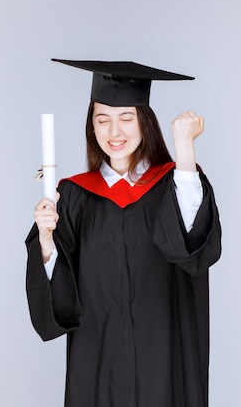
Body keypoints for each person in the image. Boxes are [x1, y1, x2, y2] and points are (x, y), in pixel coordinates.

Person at [25, 59, 222, 407]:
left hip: (162, 355)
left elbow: (193, 250)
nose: (114, 132)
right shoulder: (74, 195)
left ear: (144, 122)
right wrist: (44, 239)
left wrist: (185, 151)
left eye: (126, 119)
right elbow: (60, 297)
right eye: (103, 120)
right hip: (98, 358)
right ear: (92, 127)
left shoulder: (173, 184)